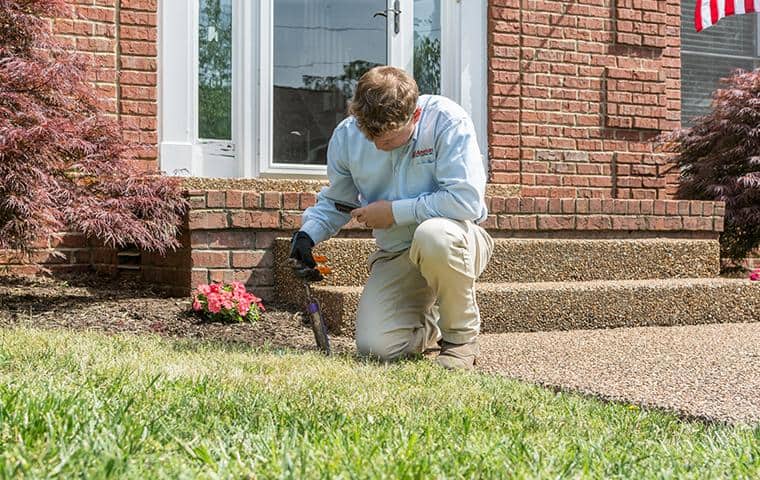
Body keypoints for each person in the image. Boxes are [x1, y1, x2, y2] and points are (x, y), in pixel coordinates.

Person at [289, 66, 493, 370]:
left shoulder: (447, 121)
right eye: (368, 135)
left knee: (433, 236)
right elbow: (336, 201)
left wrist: (393, 212)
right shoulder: (347, 136)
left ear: (415, 116)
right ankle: (427, 327)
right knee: (376, 348)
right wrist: (307, 235)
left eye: (387, 139)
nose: (376, 145)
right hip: (397, 252)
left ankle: (459, 340)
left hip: (455, 239)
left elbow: (465, 201)